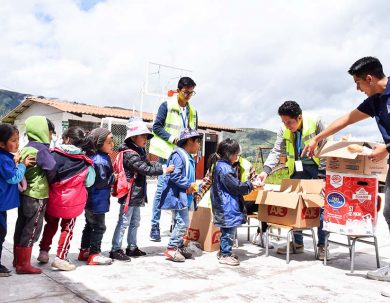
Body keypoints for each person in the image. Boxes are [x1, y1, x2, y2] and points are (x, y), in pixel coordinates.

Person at [301, 57, 390, 294]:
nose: (357, 88)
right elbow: (346, 119)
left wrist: (387, 148)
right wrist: (317, 138)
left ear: (369, 79)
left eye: (358, 82)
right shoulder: (374, 101)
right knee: (389, 213)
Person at [257, 101, 328, 259]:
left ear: (299, 117)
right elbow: (277, 150)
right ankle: (298, 242)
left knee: (321, 205)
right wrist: (265, 172)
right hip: (298, 168)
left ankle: (323, 245)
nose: (287, 125)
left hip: (318, 169)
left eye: (289, 122)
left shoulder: (316, 122)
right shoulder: (284, 129)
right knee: (295, 204)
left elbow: (325, 147)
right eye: (283, 122)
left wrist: (322, 176)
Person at [110, 118, 174, 261]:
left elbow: (147, 164)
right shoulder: (130, 153)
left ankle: (132, 247)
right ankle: (115, 249)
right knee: (124, 221)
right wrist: (164, 169)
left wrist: (158, 166)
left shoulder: (137, 151)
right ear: (134, 137)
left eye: (146, 136)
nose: (146, 139)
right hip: (130, 193)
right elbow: (144, 168)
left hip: (135, 193)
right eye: (143, 136)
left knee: (135, 221)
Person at [38, 127, 95, 271]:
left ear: (67, 139)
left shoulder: (52, 155)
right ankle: (60, 258)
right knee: (67, 229)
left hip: (52, 200)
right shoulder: (86, 162)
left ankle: (44, 252)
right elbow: (90, 182)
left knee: (50, 225)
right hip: (73, 203)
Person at [149, 77, 198, 241]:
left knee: (180, 188)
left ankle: (175, 226)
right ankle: (154, 225)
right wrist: (172, 139)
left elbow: (194, 133)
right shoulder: (167, 105)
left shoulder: (193, 111)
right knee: (162, 189)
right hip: (166, 153)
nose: (189, 95)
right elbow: (156, 127)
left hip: (183, 155)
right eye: (186, 92)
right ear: (178, 90)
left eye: (192, 92)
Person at [13, 116, 56, 274]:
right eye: (50, 133)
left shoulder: (25, 148)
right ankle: (24, 265)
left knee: (21, 225)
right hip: (37, 195)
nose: (51, 137)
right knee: (32, 229)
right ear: (43, 131)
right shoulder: (41, 149)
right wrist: (52, 182)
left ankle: (17, 260)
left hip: (24, 194)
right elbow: (51, 168)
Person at [209, 138, 258, 266]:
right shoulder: (225, 169)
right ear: (229, 154)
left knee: (226, 231)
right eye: (236, 154)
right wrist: (250, 185)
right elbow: (236, 187)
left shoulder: (220, 165)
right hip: (227, 206)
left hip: (224, 205)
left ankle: (224, 252)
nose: (237, 157)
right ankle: (225, 254)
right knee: (228, 232)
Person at [159, 128, 202, 262]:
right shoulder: (178, 155)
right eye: (198, 142)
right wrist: (188, 185)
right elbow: (175, 175)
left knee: (181, 222)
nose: (199, 145)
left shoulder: (187, 156)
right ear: (190, 141)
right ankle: (172, 248)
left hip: (185, 196)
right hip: (178, 196)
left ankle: (179, 246)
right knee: (182, 222)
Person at [0, 124, 35, 277]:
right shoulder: (4, 159)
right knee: (1, 234)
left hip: (2, 205)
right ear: (1, 144)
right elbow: (13, 178)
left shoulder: (6, 157)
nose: (17, 144)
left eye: (17, 140)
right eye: (13, 140)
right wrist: (22, 165)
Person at [79, 128, 116, 265]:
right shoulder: (100, 160)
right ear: (99, 143)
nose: (112, 144)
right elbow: (101, 182)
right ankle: (94, 253)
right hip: (97, 200)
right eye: (109, 141)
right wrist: (114, 178)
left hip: (90, 200)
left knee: (89, 225)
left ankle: (84, 251)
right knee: (99, 227)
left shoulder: (95, 157)